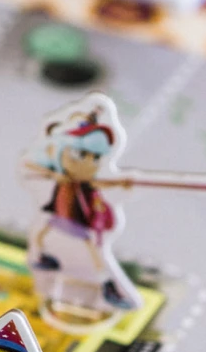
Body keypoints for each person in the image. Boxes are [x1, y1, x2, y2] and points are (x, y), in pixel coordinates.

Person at [20, 93, 142, 323]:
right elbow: (31, 165)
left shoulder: (83, 182)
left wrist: (122, 182)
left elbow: (102, 183)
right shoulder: (60, 174)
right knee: (44, 231)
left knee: (89, 246)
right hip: (61, 213)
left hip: (74, 217)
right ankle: (41, 257)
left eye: (95, 158)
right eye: (81, 154)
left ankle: (105, 282)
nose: (88, 163)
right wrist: (53, 173)